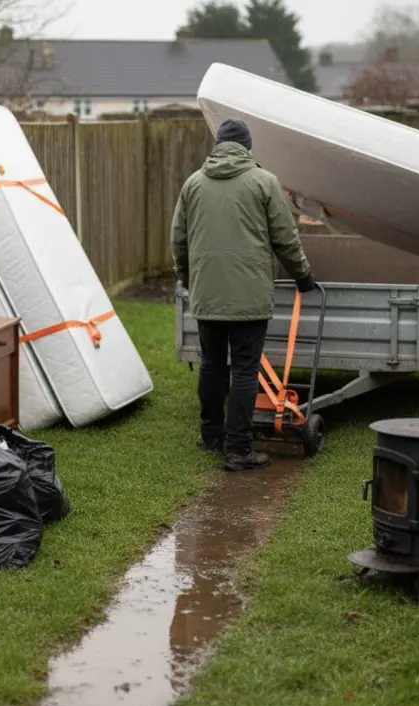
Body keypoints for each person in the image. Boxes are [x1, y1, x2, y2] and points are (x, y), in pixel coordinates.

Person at [171, 117, 317, 472]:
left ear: (218, 146)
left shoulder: (193, 183)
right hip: (249, 299)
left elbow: (179, 240)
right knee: (245, 372)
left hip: (207, 297)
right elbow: (285, 237)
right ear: (248, 148)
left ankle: (211, 436)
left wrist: (190, 280)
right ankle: (238, 449)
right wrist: (303, 276)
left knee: (211, 365)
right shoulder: (265, 183)